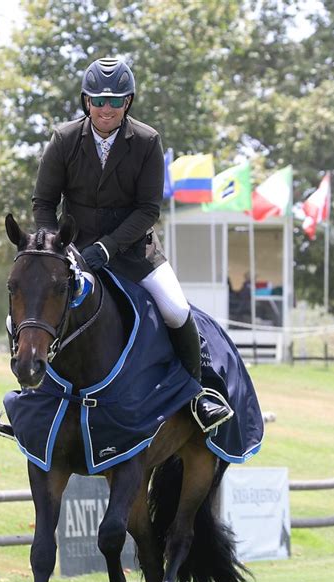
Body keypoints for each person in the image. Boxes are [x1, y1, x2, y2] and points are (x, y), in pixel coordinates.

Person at [32, 57, 233, 433]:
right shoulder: (63, 139)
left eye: (115, 100)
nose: (106, 109)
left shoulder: (146, 141)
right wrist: (52, 247)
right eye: (98, 100)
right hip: (73, 252)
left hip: (134, 251)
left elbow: (147, 210)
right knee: (31, 300)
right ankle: (28, 396)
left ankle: (197, 395)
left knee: (175, 309)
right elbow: (44, 204)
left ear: (128, 102)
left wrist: (107, 248)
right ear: (85, 102)